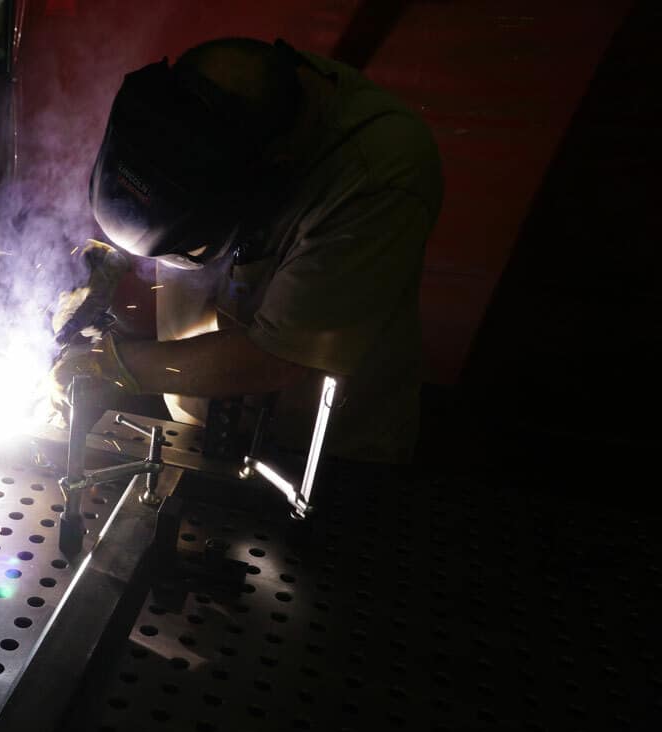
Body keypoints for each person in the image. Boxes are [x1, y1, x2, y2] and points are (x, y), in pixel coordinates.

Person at [49, 36, 443, 463]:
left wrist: (110, 364)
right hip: (189, 435)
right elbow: (152, 188)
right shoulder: (190, 102)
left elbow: (279, 358)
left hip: (317, 461)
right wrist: (112, 262)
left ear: (267, 177)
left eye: (188, 248)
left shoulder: (379, 172)